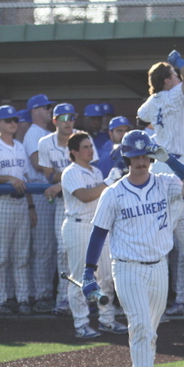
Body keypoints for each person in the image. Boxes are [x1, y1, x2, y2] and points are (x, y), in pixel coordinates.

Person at [81, 130, 184, 367]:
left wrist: (170, 159)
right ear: (126, 157)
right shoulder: (113, 193)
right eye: (134, 156)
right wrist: (89, 272)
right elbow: (98, 234)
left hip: (159, 266)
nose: (140, 161)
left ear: (150, 156)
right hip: (126, 268)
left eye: (144, 155)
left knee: (149, 332)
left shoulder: (166, 183)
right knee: (140, 326)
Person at [137, 50, 184, 317]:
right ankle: (154, 302)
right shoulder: (173, 94)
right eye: (174, 76)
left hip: (167, 165)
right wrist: (178, 62)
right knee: (161, 241)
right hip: (174, 168)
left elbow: (142, 117)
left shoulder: (151, 102)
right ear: (167, 80)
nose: (179, 78)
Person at [60, 131, 126, 337]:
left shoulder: (96, 172)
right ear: (74, 152)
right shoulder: (70, 172)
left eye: (90, 146)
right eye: (85, 147)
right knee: (81, 277)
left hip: (98, 228)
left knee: (106, 277)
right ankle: (81, 324)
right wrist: (108, 182)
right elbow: (85, 196)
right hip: (78, 227)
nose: (90, 150)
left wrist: (114, 181)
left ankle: (107, 320)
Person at [38, 103, 99, 314]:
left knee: (93, 256)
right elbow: (48, 174)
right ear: (55, 120)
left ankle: (90, 297)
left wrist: (61, 180)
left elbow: (91, 169)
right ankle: (63, 299)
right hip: (64, 205)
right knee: (63, 252)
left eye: (71, 117)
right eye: (63, 117)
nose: (68, 121)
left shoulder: (84, 139)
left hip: (89, 206)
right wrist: (67, 178)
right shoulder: (45, 142)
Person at [0, 105, 37, 315]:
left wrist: (31, 207)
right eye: (8, 120)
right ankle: (0, 301)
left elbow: (27, 179)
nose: (13, 123)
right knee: (0, 256)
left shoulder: (20, 146)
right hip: (0, 203)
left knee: (21, 256)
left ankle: (22, 300)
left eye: (15, 120)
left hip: (20, 204)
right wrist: (8, 178)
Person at [23, 94, 60, 315]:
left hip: (50, 193)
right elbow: (38, 165)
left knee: (51, 247)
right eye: (46, 107)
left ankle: (44, 292)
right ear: (35, 110)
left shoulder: (46, 133)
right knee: (43, 247)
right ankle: (40, 294)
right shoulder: (34, 133)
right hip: (39, 192)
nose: (49, 110)